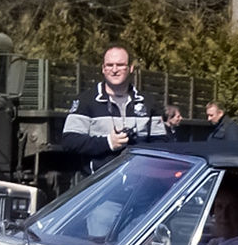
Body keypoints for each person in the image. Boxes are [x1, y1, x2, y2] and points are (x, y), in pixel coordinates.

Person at [60, 45, 166, 174]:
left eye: (120, 65)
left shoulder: (148, 102)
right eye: (109, 65)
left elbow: (162, 144)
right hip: (99, 183)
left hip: (138, 181)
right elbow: (70, 141)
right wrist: (108, 142)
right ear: (103, 69)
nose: (114, 70)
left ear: (130, 68)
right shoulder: (86, 100)